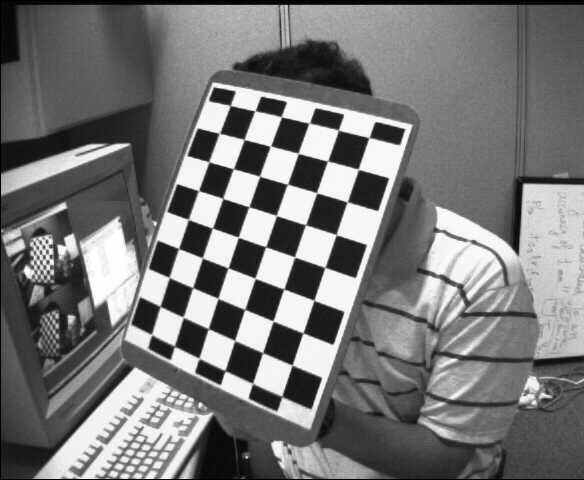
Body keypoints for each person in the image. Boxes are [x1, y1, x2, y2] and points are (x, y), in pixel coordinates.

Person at [214, 39, 539, 479]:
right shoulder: (276, 245)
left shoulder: (482, 277)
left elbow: (439, 459)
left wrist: (307, 415)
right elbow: (255, 419)